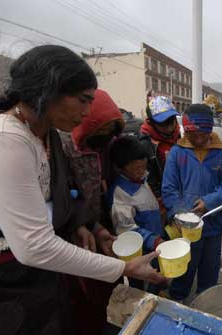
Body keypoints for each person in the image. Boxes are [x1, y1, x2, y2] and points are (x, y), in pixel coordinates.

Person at [0, 45, 164, 334]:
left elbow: (51, 198)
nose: (87, 112)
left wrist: (85, 226)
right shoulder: (3, 141)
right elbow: (34, 246)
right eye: (82, 100)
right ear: (49, 90)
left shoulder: (45, 134)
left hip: (30, 277)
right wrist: (123, 268)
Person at [59, 88, 126, 335]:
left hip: (98, 223)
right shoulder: (63, 149)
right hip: (71, 229)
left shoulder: (107, 148)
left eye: (109, 137)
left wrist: (98, 226)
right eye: (99, 136)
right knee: (81, 292)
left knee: (106, 284)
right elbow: (63, 195)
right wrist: (82, 225)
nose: (103, 142)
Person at [162, 104, 222, 301]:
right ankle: (178, 296)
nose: (198, 140)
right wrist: (179, 212)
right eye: (193, 135)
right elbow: (169, 188)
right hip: (187, 226)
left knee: (210, 264)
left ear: (210, 130)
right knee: (185, 263)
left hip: (213, 222)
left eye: (203, 134)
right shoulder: (177, 153)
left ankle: (206, 298)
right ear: (185, 131)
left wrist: (209, 201)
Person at [107, 135, 164, 251]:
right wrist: (154, 241)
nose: (142, 171)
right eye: (136, 168)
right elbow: (126, 229)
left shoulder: (141, 179)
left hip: (157, 240)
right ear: (119, 168)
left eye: (144, 166)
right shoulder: (120, 194)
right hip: (143, 250)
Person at [139, 95, 181, 226]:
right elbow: (148, 179)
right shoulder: (146, 144)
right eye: (163, 123)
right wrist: (162, 203)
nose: (169, 127)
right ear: (151, 122)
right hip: (160, 201)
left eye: (171, 121)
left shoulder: (179, 136)